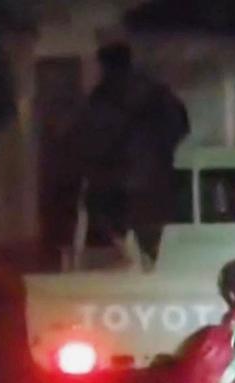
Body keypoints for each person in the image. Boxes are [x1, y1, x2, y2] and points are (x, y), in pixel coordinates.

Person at [75, 41, 190, 265]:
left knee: (106, 215)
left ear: (105, 65)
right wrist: (162, 150)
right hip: (153, 174)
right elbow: (181, 125)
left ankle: (134, 258)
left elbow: (89, 135)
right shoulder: (157, 91)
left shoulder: (103, 96)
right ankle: (149, 260)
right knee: (150, 225)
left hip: (114, 177)